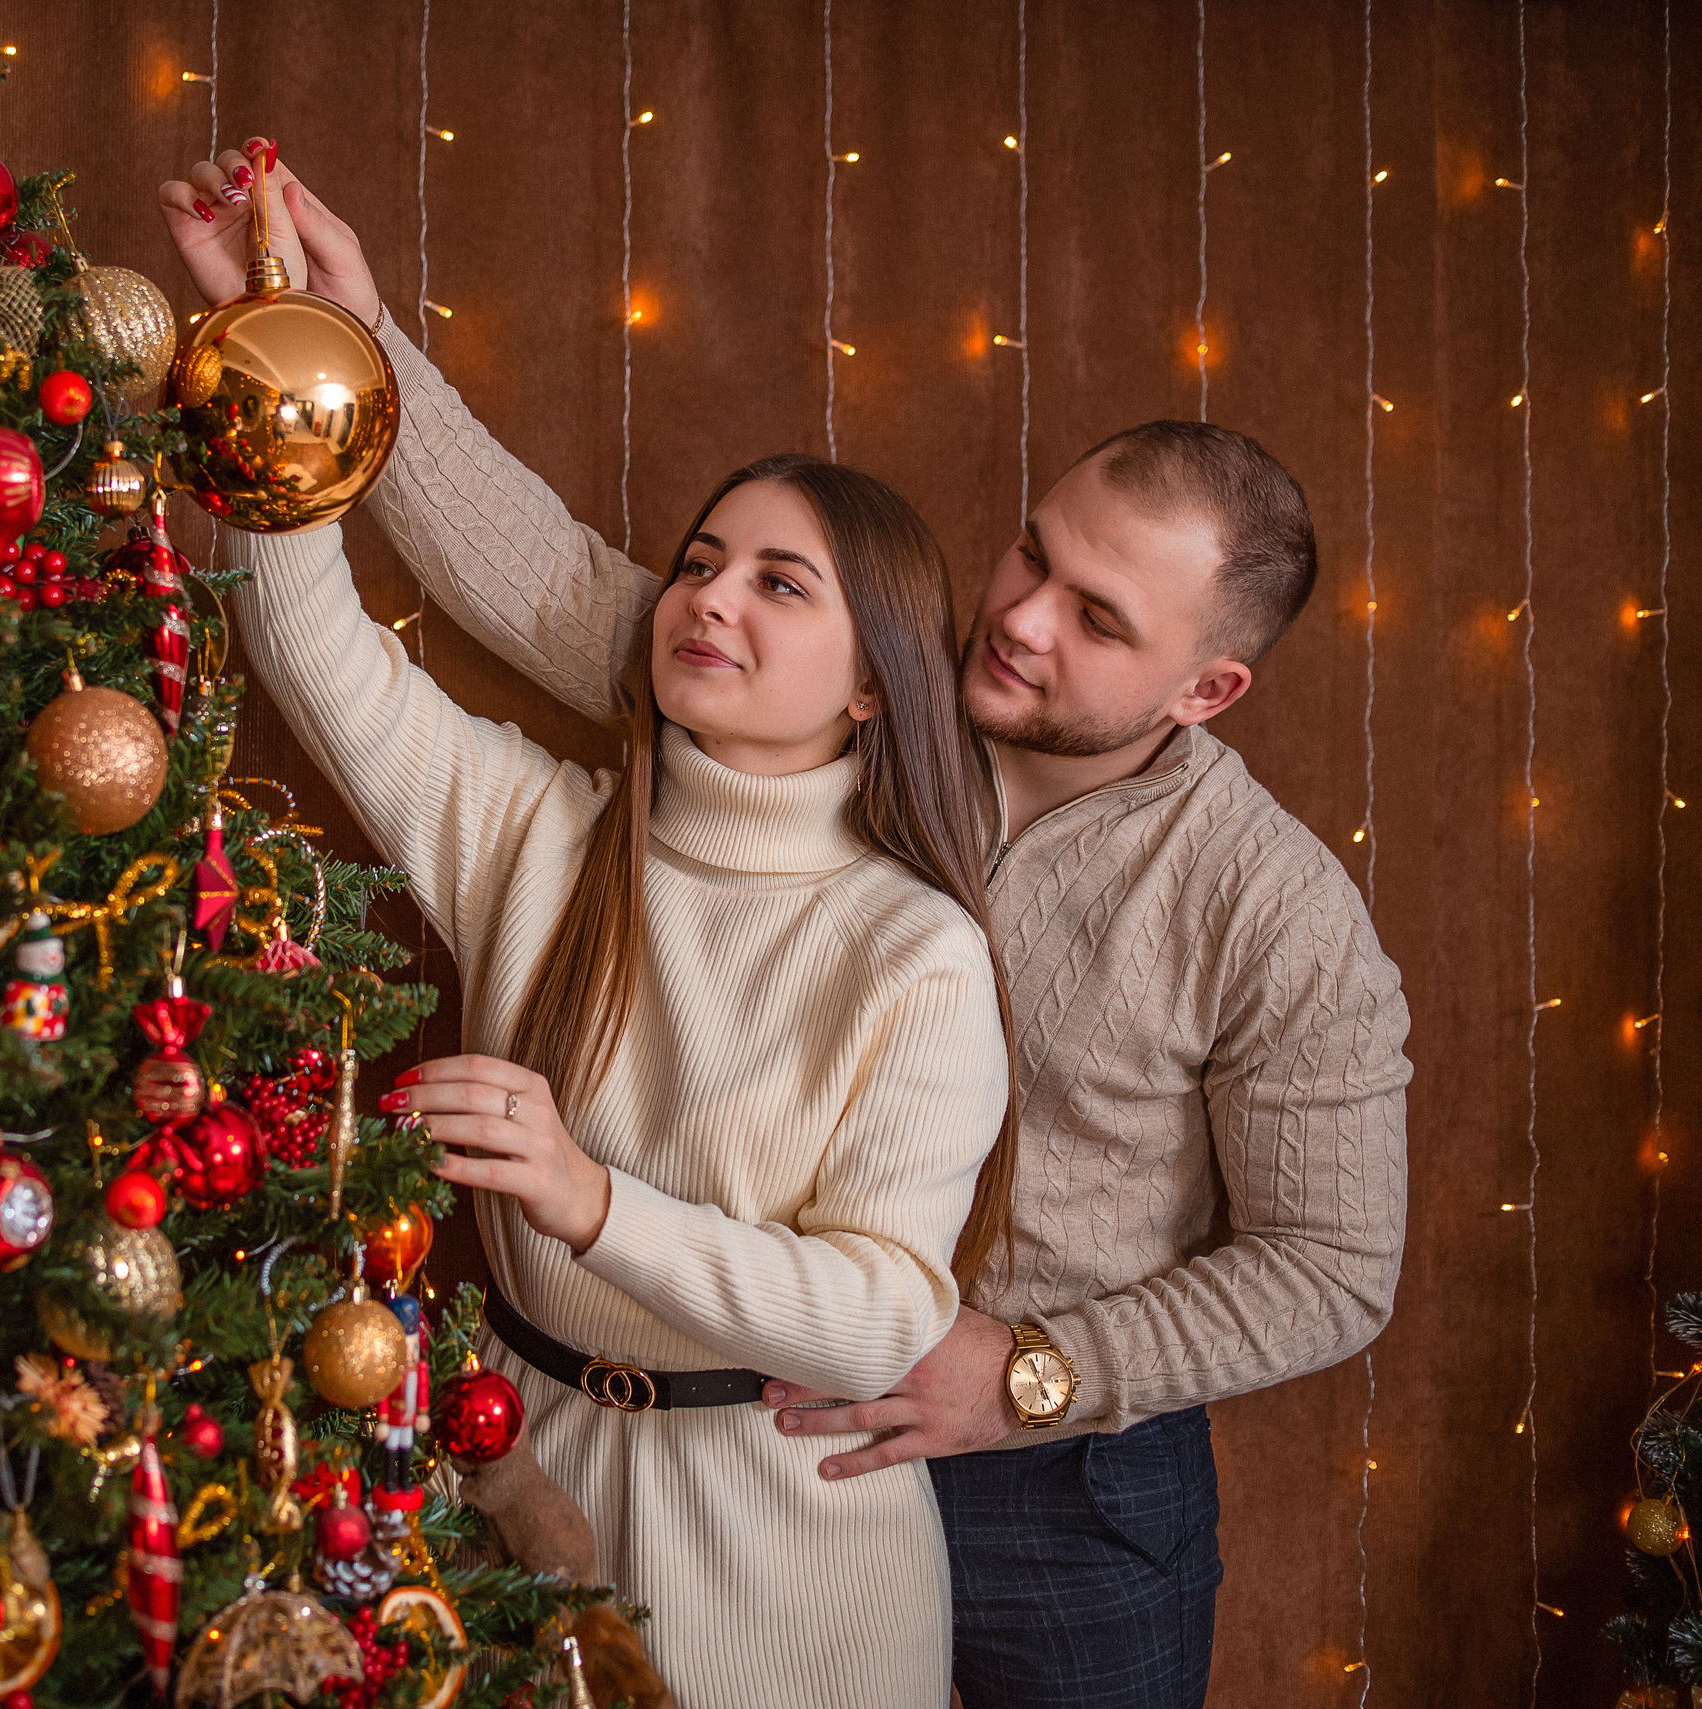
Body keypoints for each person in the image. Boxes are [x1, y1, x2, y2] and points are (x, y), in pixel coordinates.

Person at [159, 142, 1411, 1709]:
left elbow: (1335, 1266)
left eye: (1098, 620)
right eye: (1034, 552)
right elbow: (539, 584)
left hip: (1054, 1472)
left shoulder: (1269, 905)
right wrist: (332, 348)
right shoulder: (834, 702)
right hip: (669, 1423)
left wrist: (1030, 1373)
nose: (1019, 618)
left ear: (1204, 687)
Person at [169, 145, 1021, 1709]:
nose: (713, 598)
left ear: (870, 682)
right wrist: (283, 361)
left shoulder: (914, 949)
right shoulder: (544, 828)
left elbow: (885, 1312)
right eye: (701, 564)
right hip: (518, 1488)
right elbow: (312, 646)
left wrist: (588, 1197)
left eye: (781, 583)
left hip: (792, 1557)